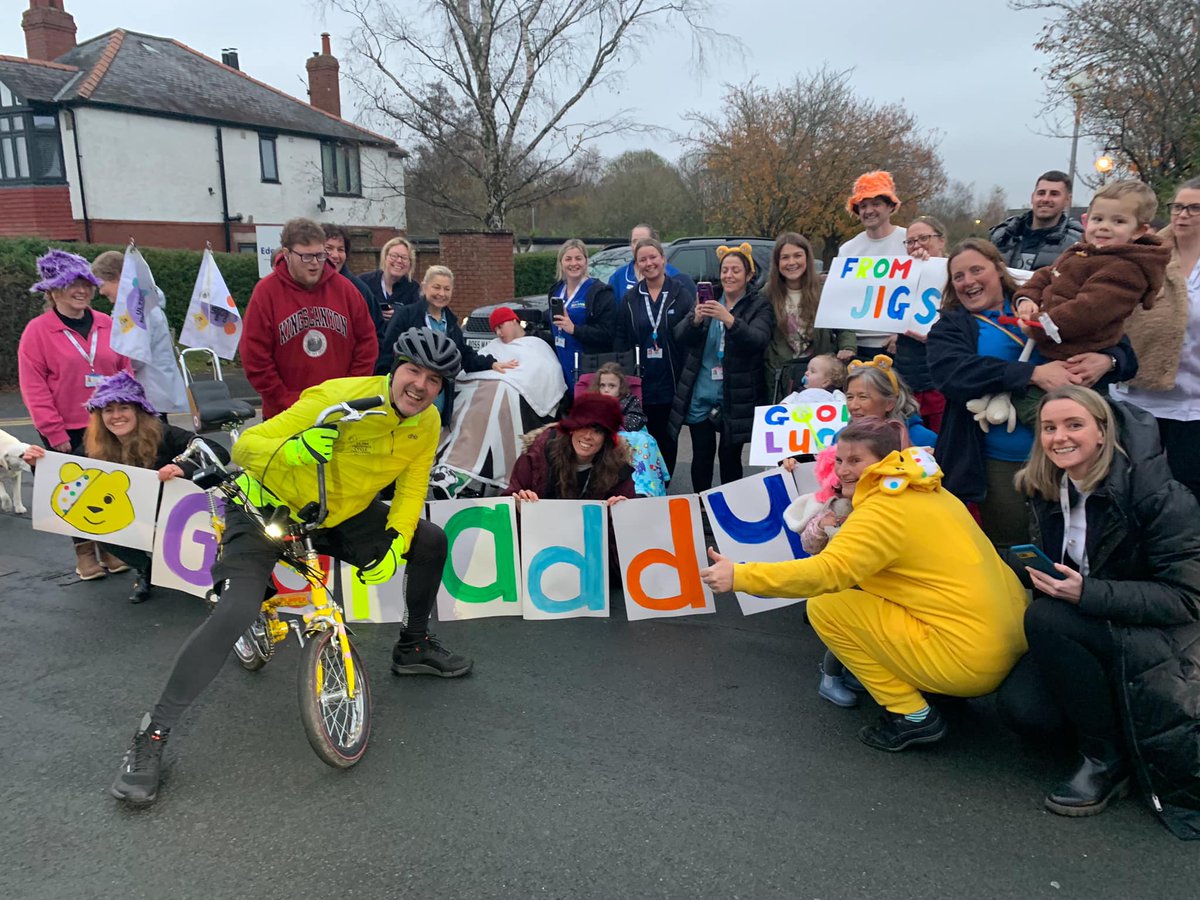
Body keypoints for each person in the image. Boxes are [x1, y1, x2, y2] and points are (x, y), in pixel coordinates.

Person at [110, 328, 474, 807]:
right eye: (413, 371)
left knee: (429, 541)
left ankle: (414, 645)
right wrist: (294, 450)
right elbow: (245, 448)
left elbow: (410, 489)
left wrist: (395, 541)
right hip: (269, 509)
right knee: (235, 610)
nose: (420, 386)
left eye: (434, 380)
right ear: (394, 367)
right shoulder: (336, 398)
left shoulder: (426, 423)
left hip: (336, 513)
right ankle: (152, 735)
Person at [700, 418, 1029, 751]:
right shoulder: (930, 490)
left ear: (886, 461)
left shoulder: (881, 513)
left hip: (969, 661)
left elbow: (824, 573)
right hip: (1010, 640)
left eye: (856, 461)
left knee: (826, 606)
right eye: (840, 459)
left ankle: (913, 716)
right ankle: (937, 689)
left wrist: (740, 576)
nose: (843, 470)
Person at [996, 387, 1200, 836]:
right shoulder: (1048, 488)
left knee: (1044, 619)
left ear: (1104, 432)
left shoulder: (1161, 495)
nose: (1060, 438)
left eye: (1074, 425)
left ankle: (1105, 759)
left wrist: (1086, 594)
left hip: (1161, 637)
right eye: (1049, 428)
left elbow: (1187, 599)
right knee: (1024, 714)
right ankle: (1116, 717)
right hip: (1090, 623)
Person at [925, 239, 1137, 549]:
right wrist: (1033, 375)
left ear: (999, 270)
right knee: (1016, 551)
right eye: (958, 276)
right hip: (1002, 466)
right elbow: (952, 373)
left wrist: (1108, 360)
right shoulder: (952, 327)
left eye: (976, 270)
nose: (968, 281)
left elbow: (1126, 353)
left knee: (1077, 545)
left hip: (1075, 458)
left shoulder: (1047, 303)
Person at [18, 249, 131, 581]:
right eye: (72, 284)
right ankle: (84, 554)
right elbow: (33, 386)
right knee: (76, 493)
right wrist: (53, 432)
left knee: (110, 488)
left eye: (86, 283)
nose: (81, 290)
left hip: (109, 424)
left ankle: (112, 548)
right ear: (53, 290)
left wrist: (130, 412)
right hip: (67, 428)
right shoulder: (38, 332)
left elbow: (126, 370)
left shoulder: (107, 323)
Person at [82, 372, 228, 603]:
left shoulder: (164, 433)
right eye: (108, 410)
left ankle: (203, 568)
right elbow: (65, 472)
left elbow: (217, 452)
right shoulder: (95, 444)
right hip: (137, 513)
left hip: (181, 515)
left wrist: (182, 468)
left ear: (138, 411)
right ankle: (145, 569)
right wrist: (37, 460)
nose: (117, 416)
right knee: (96, 526)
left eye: (124, 408)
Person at [239, 217, 378, 419]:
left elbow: (367, 343)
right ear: (287, 254)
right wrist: (286, 400)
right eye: (306, 257)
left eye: (320, 255)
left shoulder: (345, 289)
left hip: (339, 410)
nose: (314, 263)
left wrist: (348, 392)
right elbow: (255, 356)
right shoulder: (266, 292)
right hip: (286, 414)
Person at [668, 244, 773, 492]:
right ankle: (702, 503)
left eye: (736, 270)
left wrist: (729, 319)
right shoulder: (708, 298)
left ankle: (730, 506)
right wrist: (695, 320)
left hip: (736, 394)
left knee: (730, 457)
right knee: (702, 455)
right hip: (702, 390)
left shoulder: (759, 305)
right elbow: (679, 336)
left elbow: (758, 340)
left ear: (749, 275)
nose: (728, 275)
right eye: (725, 270)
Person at [1119, 176, 1200, 495]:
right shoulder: (1145, 255)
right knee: (1135, 487)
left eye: (1194, 208)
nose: (1182, 215)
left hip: (1193, 403)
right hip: (1139, 396)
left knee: (1188, 489)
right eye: (1178, 207)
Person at [378, 266, 517, 421]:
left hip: (437, 401)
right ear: (425, 287)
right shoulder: (406, 315)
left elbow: (463, 355)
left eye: (447, 289)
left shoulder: (450, 322)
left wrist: (490, 364)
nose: (441, 294)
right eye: (436, 287)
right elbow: (387, 354)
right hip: (405, 399)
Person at [613, 237, 695, 477]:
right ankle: (647, 487)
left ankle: (665, 488)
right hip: (642, 382)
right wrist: (623, 375)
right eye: (642, 259)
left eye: (653, 257)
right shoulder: (631, 298)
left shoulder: (680, 293)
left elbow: (690, 335)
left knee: (668, 438)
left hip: (672, 378)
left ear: (663, 259)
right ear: (637, 264)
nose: (649, 263)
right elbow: (621, 337)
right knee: (643, 438)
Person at [91, 251, 189, 418]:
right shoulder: (141, 304)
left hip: (148, 391)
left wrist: (110, 364)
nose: (100, 292)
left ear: (118, 275)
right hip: (153, 389)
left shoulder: (137, 308)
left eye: (102, 284)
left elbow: (135, 355)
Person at [762, 232, 855, 398]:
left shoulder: (824, 289)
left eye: (797, 256)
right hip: (782, 374)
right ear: (777, 262)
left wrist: (847, 346)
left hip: (821, 374)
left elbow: (844, 324)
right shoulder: (767, 294)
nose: (791, 262)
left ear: (807, 258)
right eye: (785, 257)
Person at [503, 393, 637, 504]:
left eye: (597, 431)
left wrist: (620, 511)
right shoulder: (540, 450)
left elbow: (630, 523)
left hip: (593, 534)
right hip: (540, 531)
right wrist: (519, 505)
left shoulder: (618, 466)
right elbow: (506, 500)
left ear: (606, 438)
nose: (588, 436)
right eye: (583, 426)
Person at [839, 171, 908, 360]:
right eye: (863, 206)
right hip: (857, 349)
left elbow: (925, 293)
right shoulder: (848, 250)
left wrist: (905, 333)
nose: (869, 211)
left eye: (876, 204)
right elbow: (841, 300)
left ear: (890, 206)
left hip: (899, 346)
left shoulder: (910, 241)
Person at [895, 216, 948, 431]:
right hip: (907, 374)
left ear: (941, 241)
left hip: (940, 377)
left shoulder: (956, 272)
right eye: (910, 241)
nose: (916, 245)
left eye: (923, 238)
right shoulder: (901, 274)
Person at [548, 239, 616, 391]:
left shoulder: (600, 292)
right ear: (561, 263)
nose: (574, 263)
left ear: (586, 261)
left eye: (578, 258)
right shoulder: (555, 290)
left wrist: (574, 329)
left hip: (588, 367)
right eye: (568, 259)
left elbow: (607, 334)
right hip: (562, 364)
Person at [990, 170, 1085, 271]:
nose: (1045, 199)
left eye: (1054, 194)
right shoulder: (1002, 236)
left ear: (1068, 200)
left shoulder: (1077, 244)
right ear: (1032, 197)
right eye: (1041, 193)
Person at [844, 355, 937, 448]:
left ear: (889, 403)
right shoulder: (842, 437)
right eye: (850, 397)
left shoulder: (923, 440)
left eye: (863, 397)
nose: (853, 406)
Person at [322, 224, 385, 338]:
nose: (335, 255)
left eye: (341, 249)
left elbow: (377, 333)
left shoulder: (359, 290)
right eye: (329, 248)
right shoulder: (305, 286)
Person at [606, 224, 694, 300]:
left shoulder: (674, 275)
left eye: (644, 240)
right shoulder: (618, 278)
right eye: (634, 241)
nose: (638, 245)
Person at [360, 236, 421, 326]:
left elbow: (417, 319)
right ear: (385, 257)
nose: (399, 261)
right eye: (394, 256)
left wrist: (399, 312)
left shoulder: (413, 289)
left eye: (404, 258)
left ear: (410, 263)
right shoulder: (364, 282)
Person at [591, 361, 646, 431]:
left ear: (621, 386)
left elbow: (636, 422)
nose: (606, 390)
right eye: (602, 385)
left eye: (612, 386)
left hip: (627, 435)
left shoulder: (630, 400)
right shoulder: (593, 402)